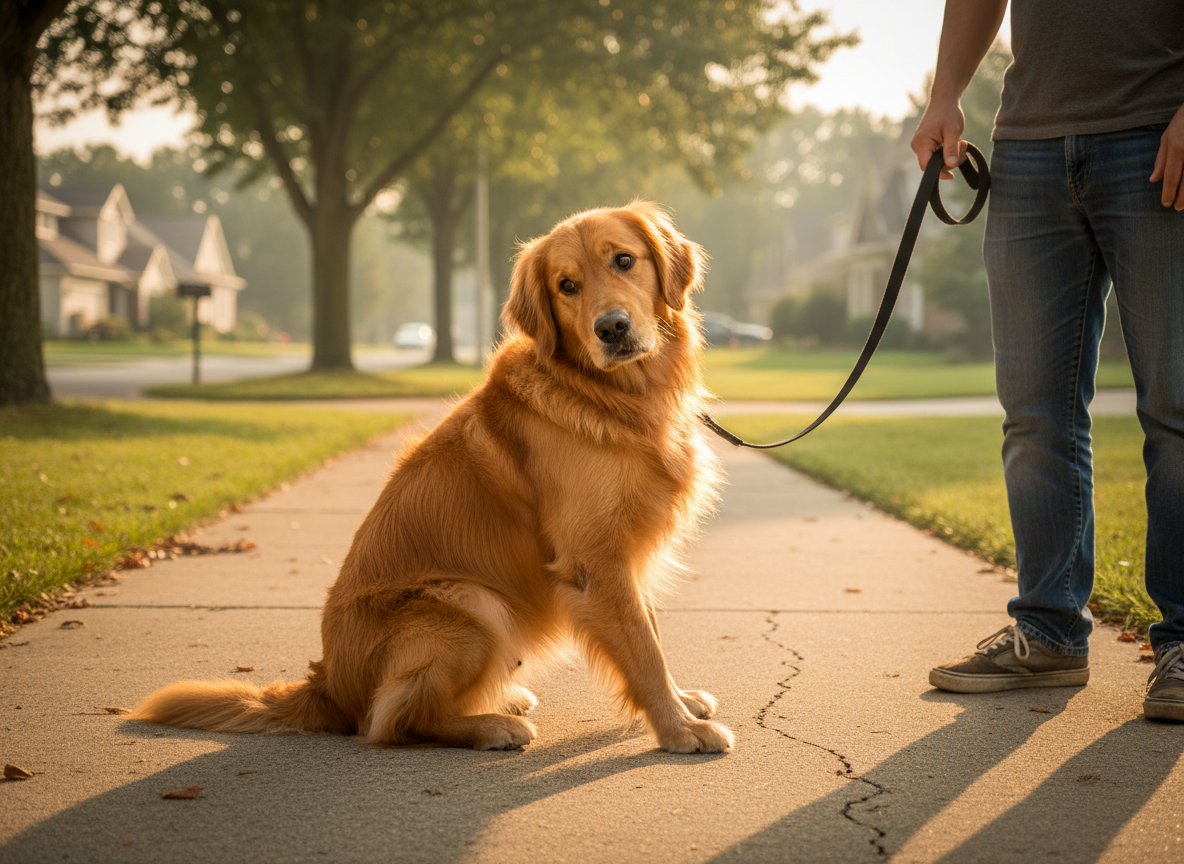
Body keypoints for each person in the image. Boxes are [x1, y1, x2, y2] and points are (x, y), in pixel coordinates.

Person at [910, 0, 1184, 719]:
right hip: (1029, 144)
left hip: (1159, 130)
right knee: (1034, 417)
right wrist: (946, 95)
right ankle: (1049, 631)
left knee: (1177, 409)